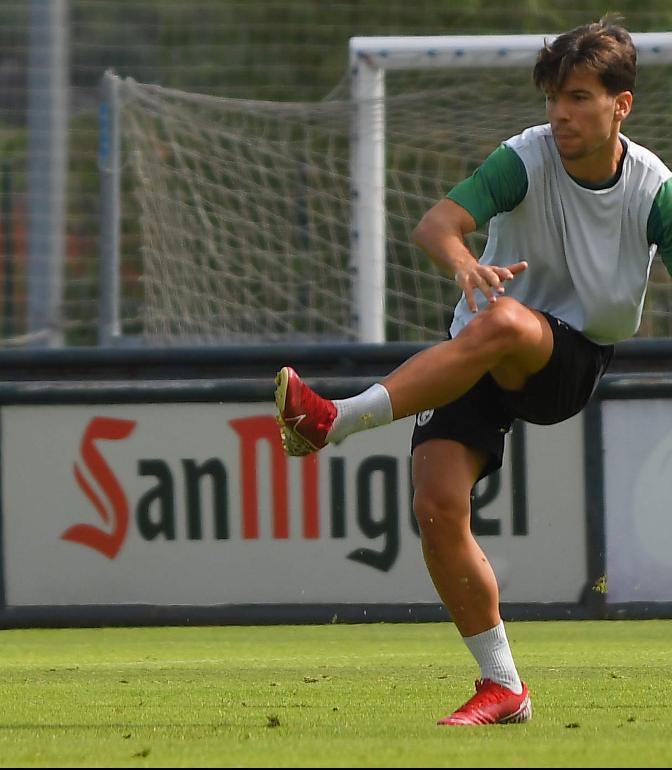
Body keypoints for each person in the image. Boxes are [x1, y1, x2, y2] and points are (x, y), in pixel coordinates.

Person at [276, 16, 672, 726]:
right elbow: (437, 223)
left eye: (579, 97)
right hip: (480, 343)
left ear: (622, 105)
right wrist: (465, 264)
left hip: (570, 357)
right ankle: (503, 687)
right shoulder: (524, 157)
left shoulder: (654, 190)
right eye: (553, 97)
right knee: (435, 509)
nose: (559, 113)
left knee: (508, 322)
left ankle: (333, 421)